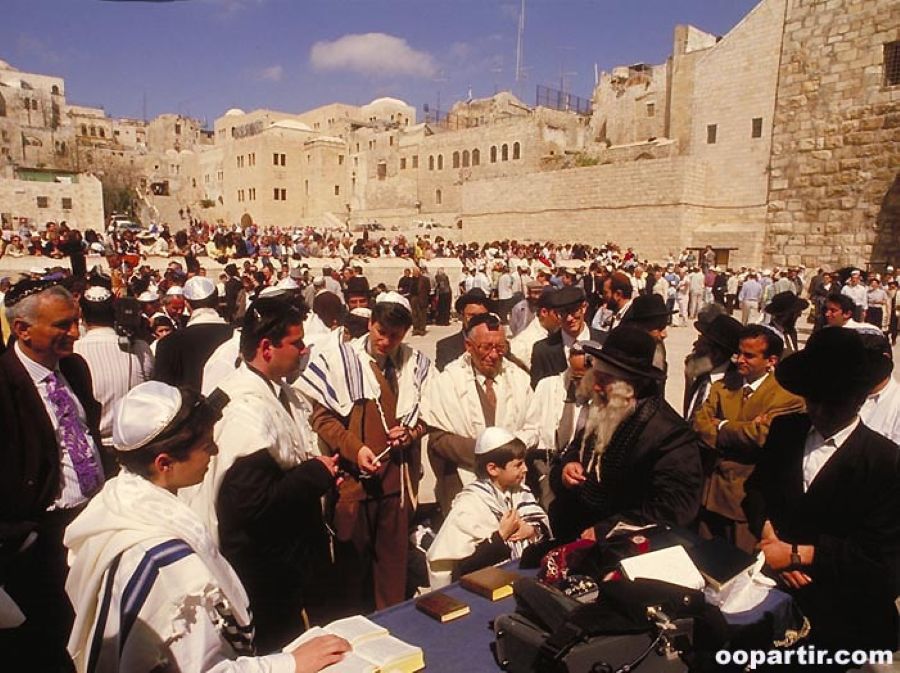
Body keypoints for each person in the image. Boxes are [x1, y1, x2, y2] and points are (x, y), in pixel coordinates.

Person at [64, 381, 350, 673]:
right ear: (164, 463)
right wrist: (291, 663)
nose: (215, 451)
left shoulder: (117, 501)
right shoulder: (166, 561)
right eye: (205, 445)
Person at [182, 297, 340, 652]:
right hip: (264, 573)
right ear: (267, 348)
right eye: (296, 343)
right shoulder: (244, 409)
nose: (303, 350)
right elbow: (249, 505)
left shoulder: (273, 390)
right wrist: (316, 473)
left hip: (283, 562)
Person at [743, 327, 899, 658]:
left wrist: (797, 555)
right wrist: (769, 536)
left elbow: (881, 559)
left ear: (859, 399)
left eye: (834, 403)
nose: (821, 411)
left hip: (843, 616)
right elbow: (757, 489)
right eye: (814, 399)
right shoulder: (787, 431)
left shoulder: (885, 461)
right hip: (775, 596)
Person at [300, 293, 432, 611]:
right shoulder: (339, 360)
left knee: (392, 573)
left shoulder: (415, 365)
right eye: (381, 332)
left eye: (395, 336)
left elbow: (430, 414)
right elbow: (322, 419)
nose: (386, 342)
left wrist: (410, 433)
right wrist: (355, 449)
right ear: (370, 324)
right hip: (353, 485)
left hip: (397, 485)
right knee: (352, 576)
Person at [0, 280, 105, 671]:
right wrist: (20, 536)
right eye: (62, 325)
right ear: (23, 330)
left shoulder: (74, 369)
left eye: (76, 321)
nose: (75, 333)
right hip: (39, 541)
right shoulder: (5, 383)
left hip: (90, 520)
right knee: (51, 641)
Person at [549, 327, 703, 542]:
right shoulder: (606, 410)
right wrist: (568, 467)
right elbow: (576, 449)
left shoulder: (671, 435)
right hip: (578, 533)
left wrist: (606, 530)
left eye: (605, 380)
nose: (596, 387)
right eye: (596, 376)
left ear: (632, 385)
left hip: (629, 547)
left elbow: (675, 508)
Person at [693, 324, 804, 553]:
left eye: (749, 356)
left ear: (771, 360)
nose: (739, 360)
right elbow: (699, 425)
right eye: (739, 353)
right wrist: (746, 428)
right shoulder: (722, 386)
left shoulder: (787, 397)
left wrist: (721, 425)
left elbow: (763, 437)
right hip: (710, 495)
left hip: (746, 504)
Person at [423, 312, 534, 516]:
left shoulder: (519, 379)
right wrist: (487, 455)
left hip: (513, 482)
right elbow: (438, 439)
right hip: (462, 479)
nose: (494, 355)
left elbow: (533, 428)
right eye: (486, 347)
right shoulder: (448, 382)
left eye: (500, 348)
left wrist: (508, 456)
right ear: (468, 346)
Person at [426, 427, 550, 589]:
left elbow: (542, 529)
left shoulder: (521, 492)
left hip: (526, 580)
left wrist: (532, 531)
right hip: (485, 589)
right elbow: (462, 566)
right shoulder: (469, 506)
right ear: (493, 469)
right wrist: (500, 536)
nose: (525, 469)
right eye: (518, 465)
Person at [74, 285, 154, 451]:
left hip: (92, 445)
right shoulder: (140, 347)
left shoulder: (74, 350)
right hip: (133, 441)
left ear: (81, 314)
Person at [522, 343, 590, 509]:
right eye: (574, 376)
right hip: (546, 468)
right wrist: (517, 445)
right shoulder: (548, 386)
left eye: (583, 378)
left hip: (580, 475)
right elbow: (531, 428)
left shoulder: (603, 402)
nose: (578, 383)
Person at [154, 276, 234, 390]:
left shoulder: (168, 343)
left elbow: (162, 392)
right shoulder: (237, 336)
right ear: (217, 302)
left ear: (186, 304)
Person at [530, 286, 602, 388]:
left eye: (574, 311)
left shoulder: (604, 342)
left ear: (584, 307)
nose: (569, 318)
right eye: (563, 313)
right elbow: (538, 391)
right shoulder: (543, 351)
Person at [683, 313, 742, 422]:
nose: (695, 344)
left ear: (716, 353)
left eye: (703, 342)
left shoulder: (733, 386)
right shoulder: (699, 375)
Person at [434, 287, 491, 371]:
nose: (477, 320)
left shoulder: (499, 347)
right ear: (462, 316)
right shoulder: (446, 347)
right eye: (472, 316)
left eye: (482, 316)